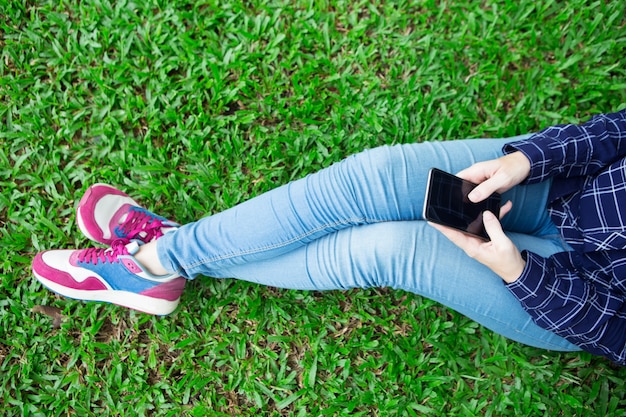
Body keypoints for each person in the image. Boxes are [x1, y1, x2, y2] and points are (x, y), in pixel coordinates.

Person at [32, 109, 626, 366]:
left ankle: (153, 259)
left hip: (574, 295)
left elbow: (615, 331)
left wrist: (519, 272)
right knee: (374, 176)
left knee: (388, 248)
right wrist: (533, 157)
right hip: (568, 184)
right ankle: (165, 258)